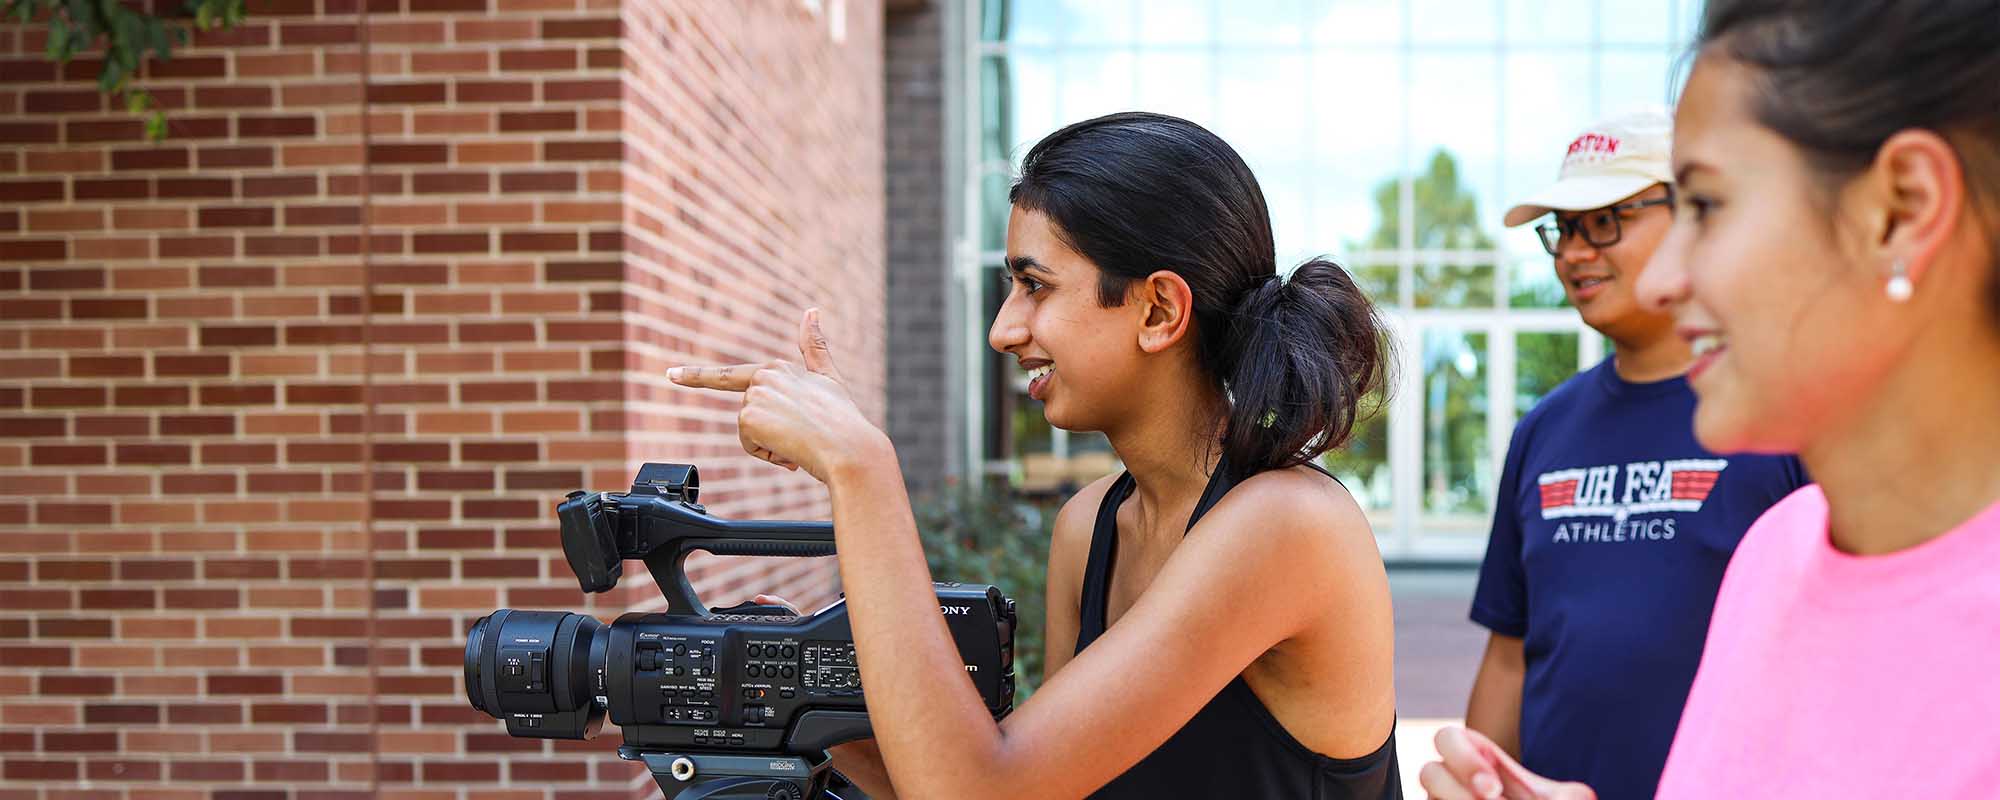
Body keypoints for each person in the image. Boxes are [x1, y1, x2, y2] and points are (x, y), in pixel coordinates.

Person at [671, 111, 1403, 798]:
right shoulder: (1089, 530)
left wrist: (860, 468)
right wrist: (798, 700)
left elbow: (983, 790)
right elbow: (1025, 784)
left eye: (1033, 285)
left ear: (1158, 311)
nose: (1003, 329)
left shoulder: (1289, 526)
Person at [1421, 1, 2000, 798]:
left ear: (1902, 208)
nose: (1662, 279)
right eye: (1566, 230)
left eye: (1708, 205)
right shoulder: (1777, 558)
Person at [1464, 109, 1807, 800]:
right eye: (1562, 229)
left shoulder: (1786, 416)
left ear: (1696, 217)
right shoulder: (1544, 431)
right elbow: (1509, 654)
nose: (1574, 253)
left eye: (1605, 221)